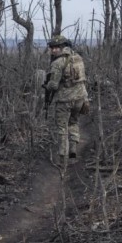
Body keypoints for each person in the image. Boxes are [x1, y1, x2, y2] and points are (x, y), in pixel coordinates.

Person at [43, 34, 88, 163]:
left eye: (57, 47)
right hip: (80, 97)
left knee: (62, 127)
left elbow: (53, 85)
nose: (54, 50)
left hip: (65, 100)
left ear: (63, 47)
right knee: (73, 122)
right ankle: (73, 152)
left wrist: (46, 86)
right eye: (52, 47)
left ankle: (62, 157)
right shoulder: (78, 57)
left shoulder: (57, 63)